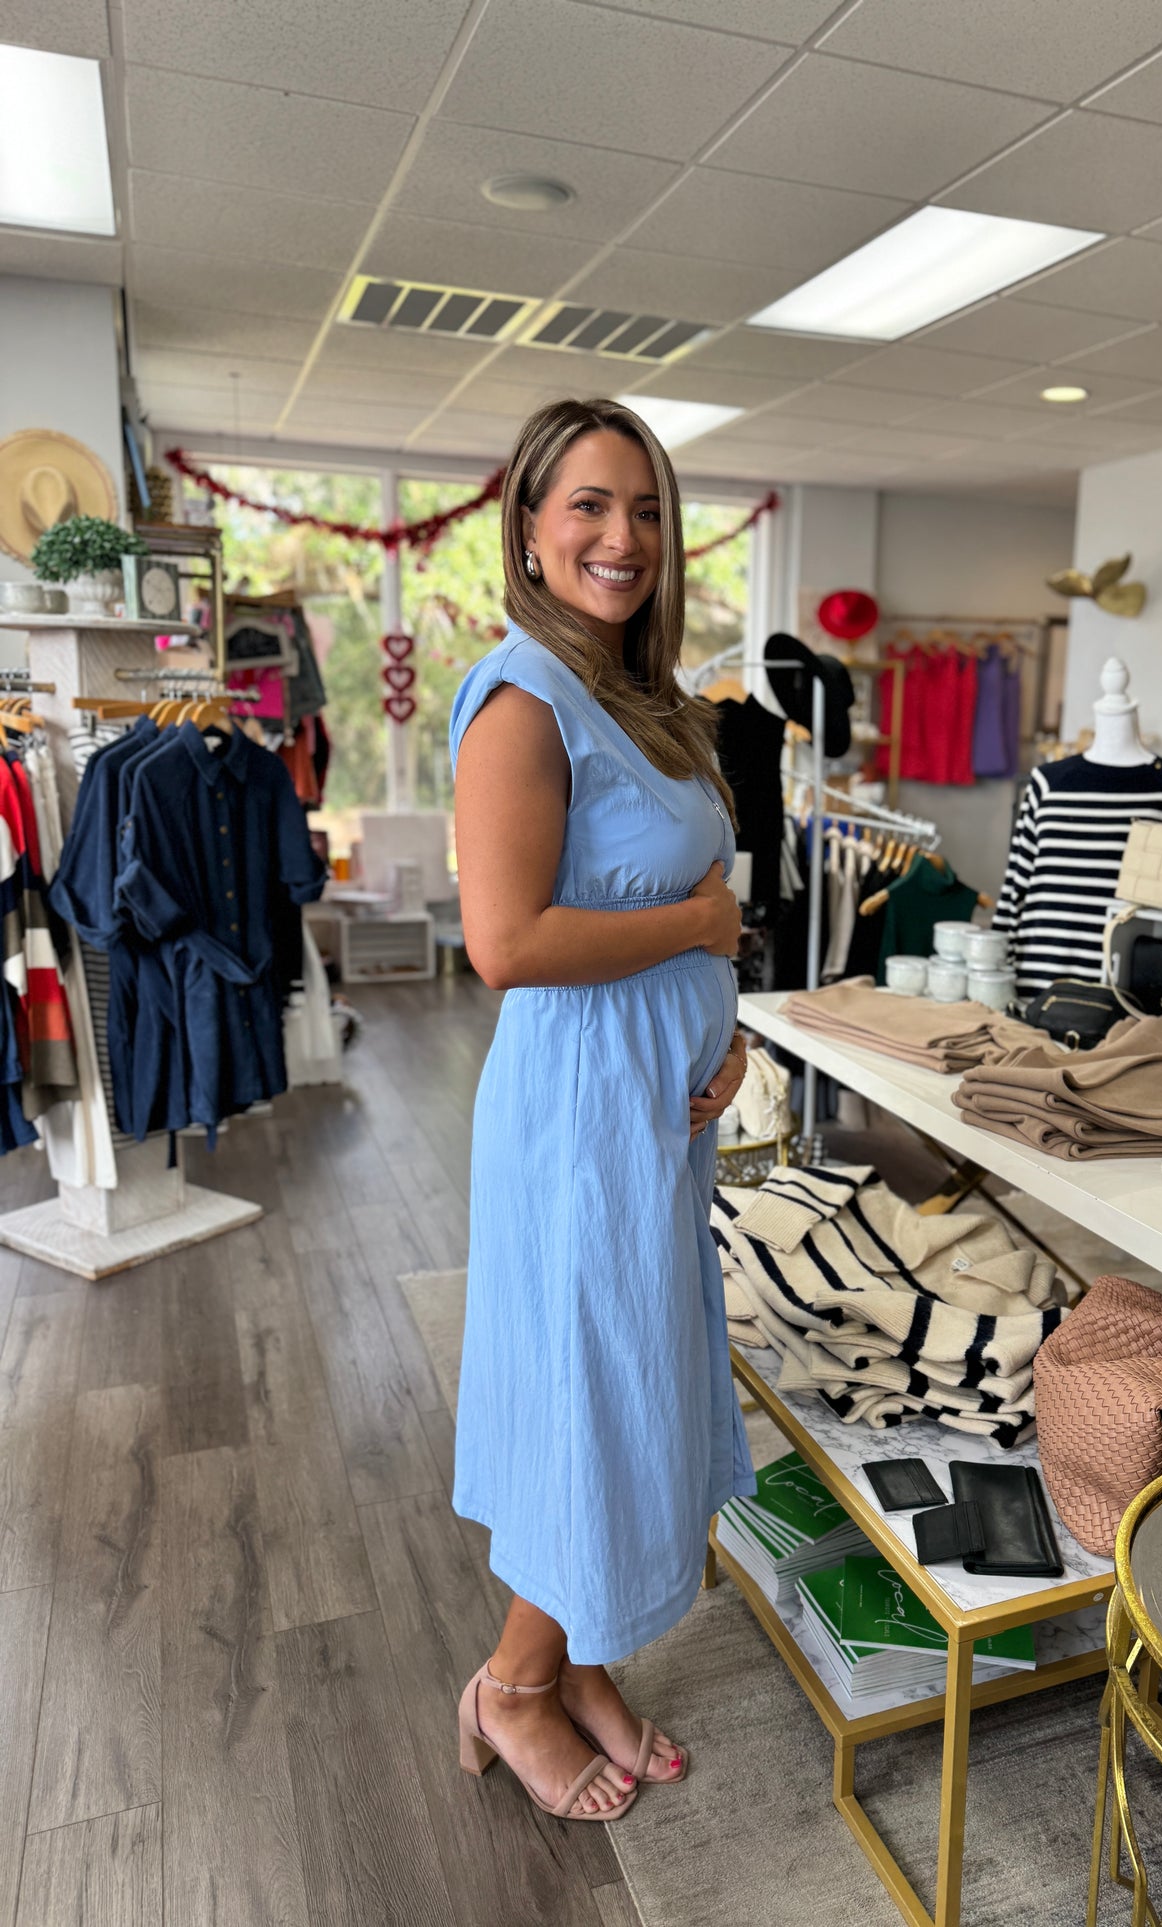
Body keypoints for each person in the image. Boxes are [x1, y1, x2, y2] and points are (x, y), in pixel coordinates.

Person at [449, 397, 755, 1822]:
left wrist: (723, 1037)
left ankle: (575, 1664)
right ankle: (511, 1684)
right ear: (527, 526)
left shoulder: (649, 695)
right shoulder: (522, 699)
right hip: (577, 1113)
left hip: (655, 1109)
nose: (620, 536)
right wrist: (700, 933)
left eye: (642, 508)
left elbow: (691, 911)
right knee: (586, 1394)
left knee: (639, 1382)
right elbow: (506, 943)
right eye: (586, 505)